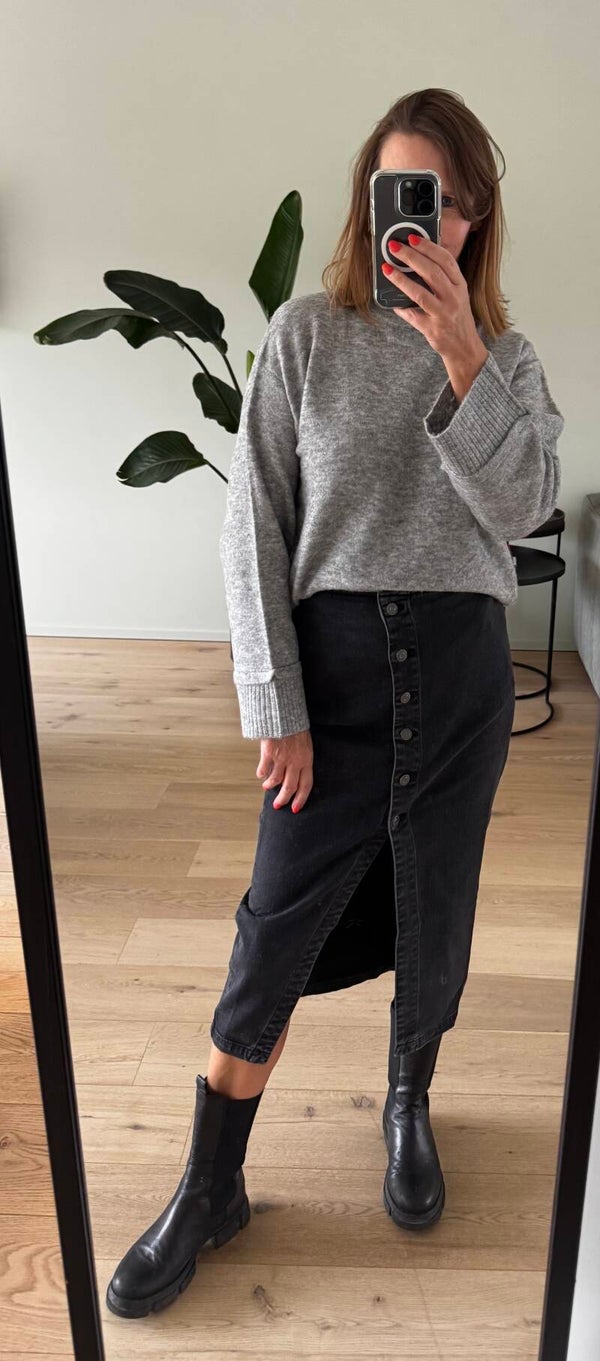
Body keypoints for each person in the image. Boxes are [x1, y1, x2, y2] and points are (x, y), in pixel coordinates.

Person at [106, 86, 564, 1319]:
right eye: (404, 191)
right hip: (337, 674)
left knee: (436, 907)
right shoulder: (307, 334)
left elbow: (526, 508)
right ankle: (212, 1180)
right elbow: (252, 522)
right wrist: (276, 700)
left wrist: (463, 354)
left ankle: (409, 1099)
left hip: (462, 681)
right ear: (369, 200)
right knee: (277, 921)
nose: (424, 219)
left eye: (448, 202)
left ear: (474, 220)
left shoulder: (509, 359)